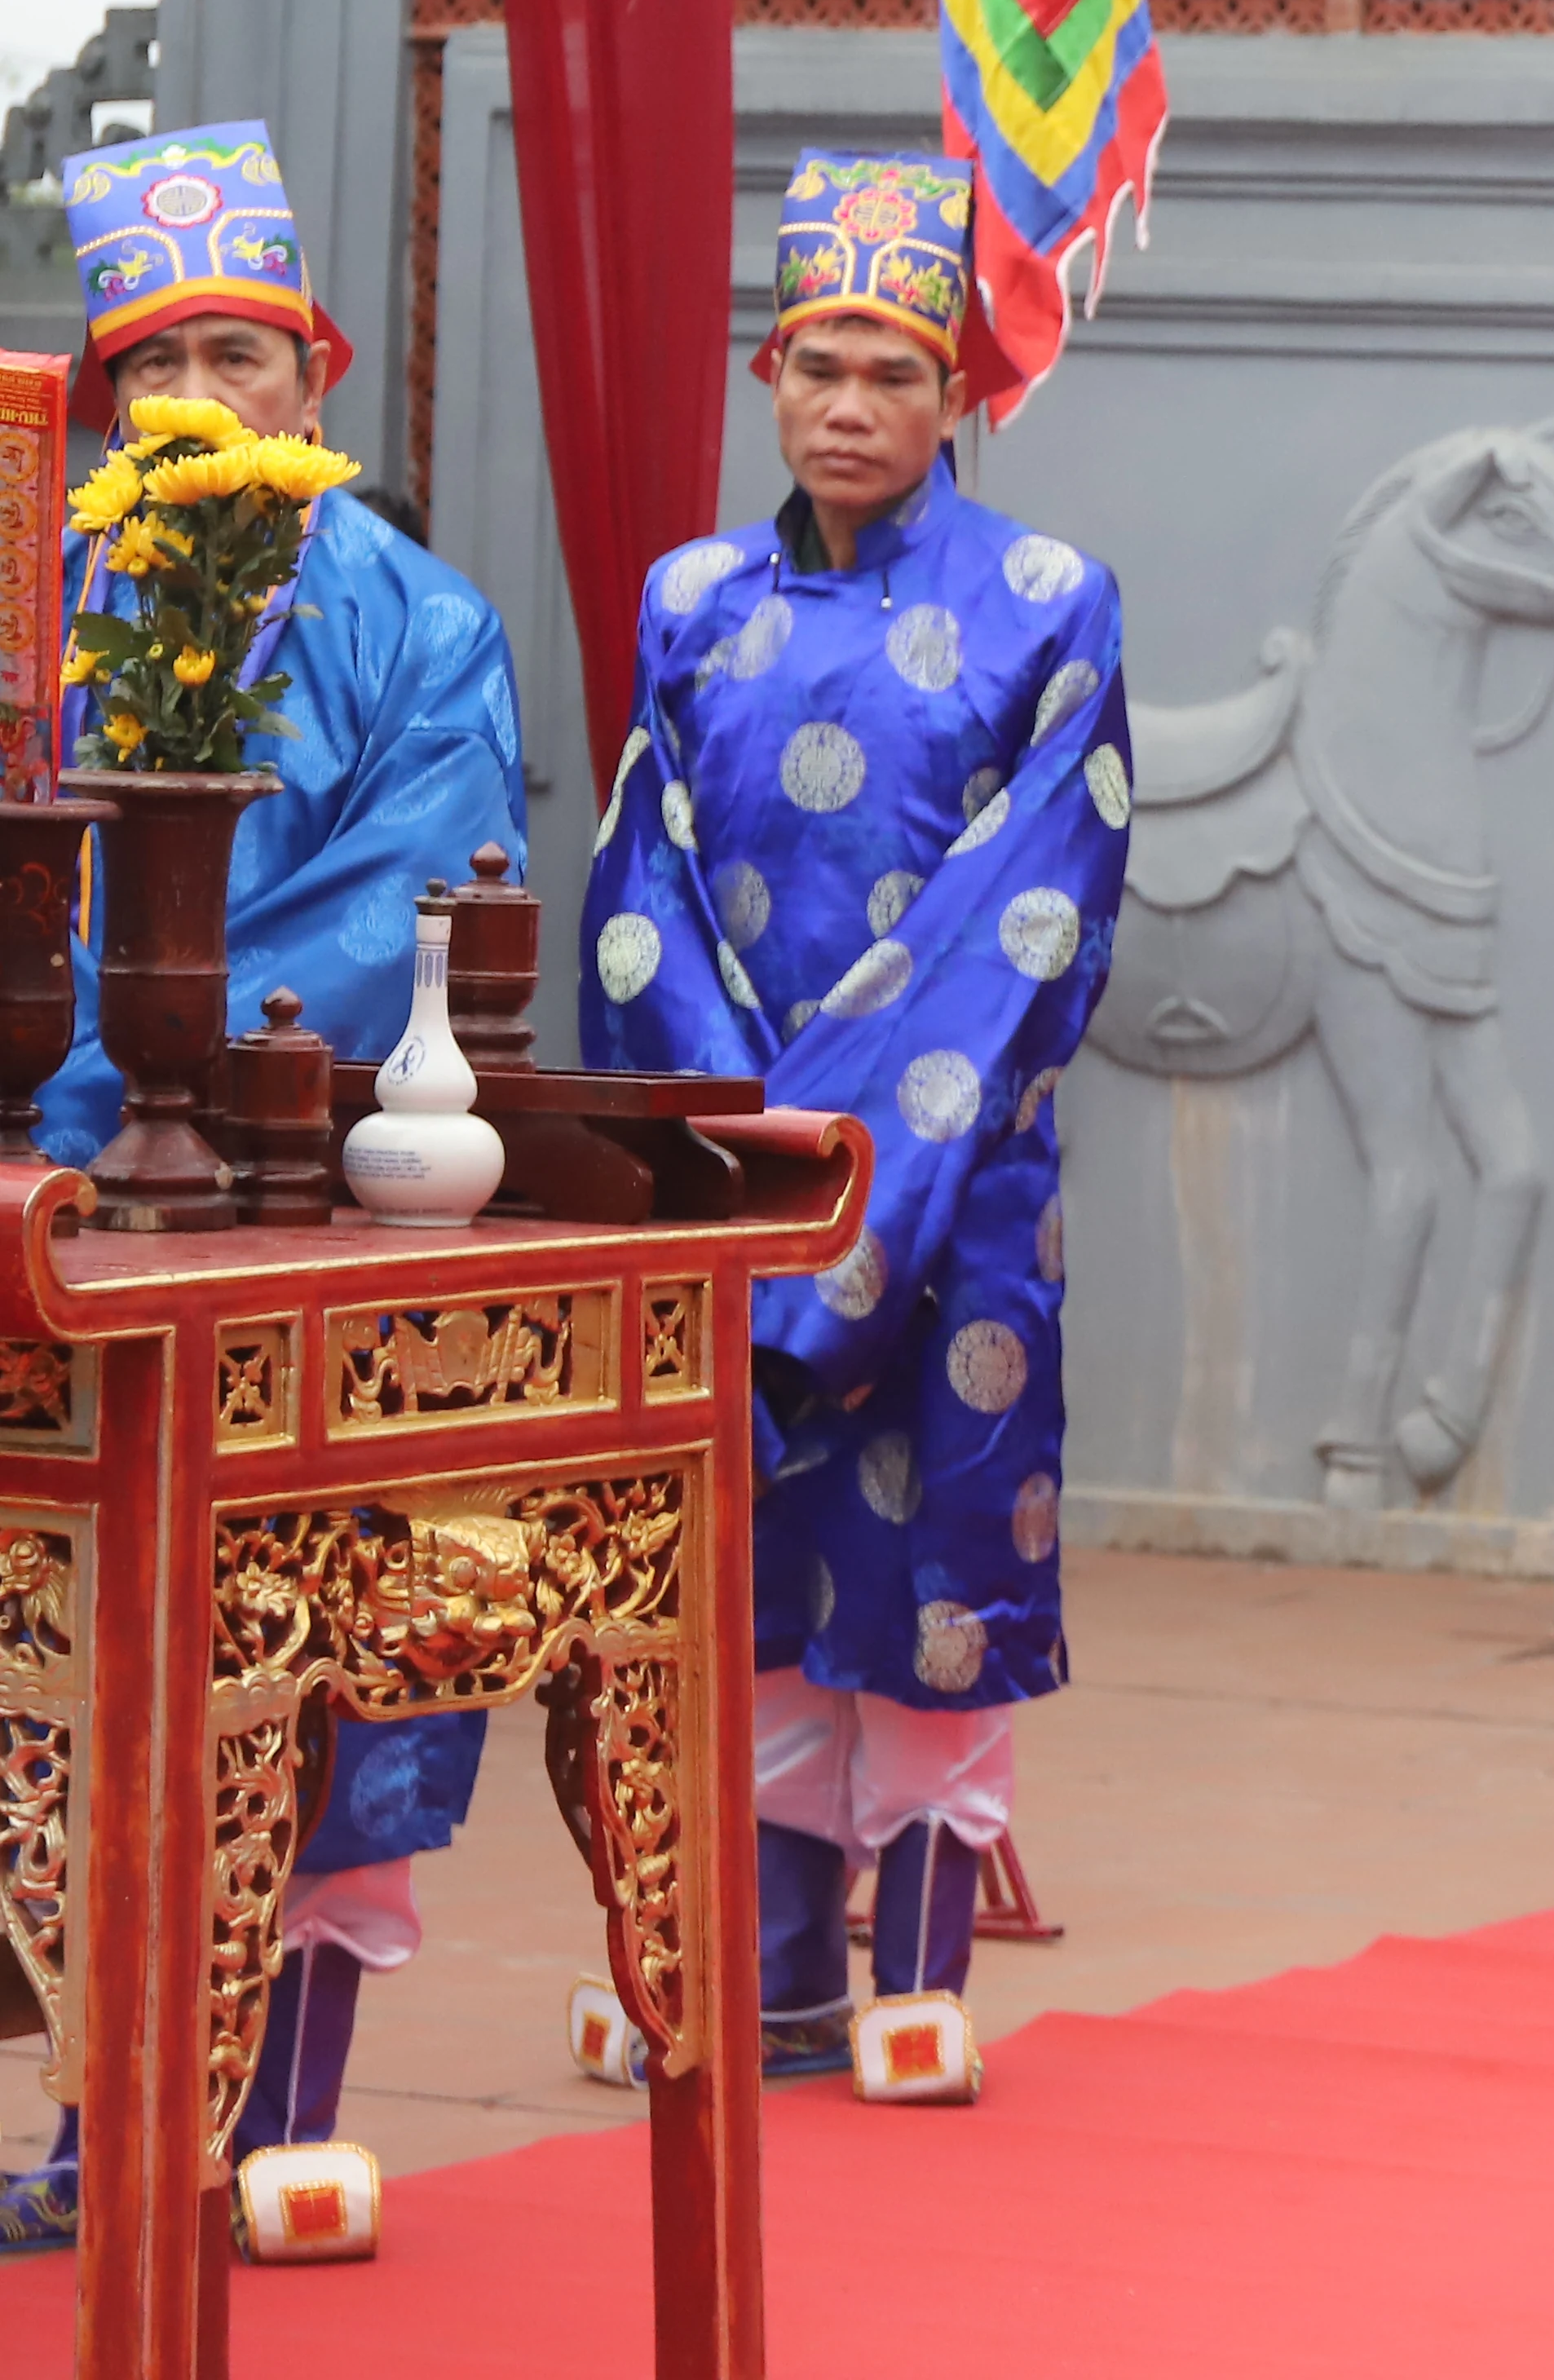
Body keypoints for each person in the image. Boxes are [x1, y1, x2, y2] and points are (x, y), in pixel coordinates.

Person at [0, 130, 530, 2257]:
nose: (204, 399)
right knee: (55, 1680)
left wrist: (124, 1071)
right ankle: (83, 2112)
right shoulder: (32, 584)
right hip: (38, 1206)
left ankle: (277, 2108)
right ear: (110, 403)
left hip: (287, 1196)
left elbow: (418, 887)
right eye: (160, 367)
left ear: (315, 381)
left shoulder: (424, 618)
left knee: (315, 1648)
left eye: (244, 354)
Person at [579, 152, 1128, 2091]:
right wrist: (736, 1141)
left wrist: (839, 1161)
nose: (851, 405)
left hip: (954, 1185)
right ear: (768, 371)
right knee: (753, 1569)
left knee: (938, 1555)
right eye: (821, 363)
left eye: (894, 370)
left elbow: (1034, 913)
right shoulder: (691, 597)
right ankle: (764, 1972)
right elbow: (636, 888)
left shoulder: (1050, 601)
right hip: (738, 1183)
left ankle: (918, 1983)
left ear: (958, 389)